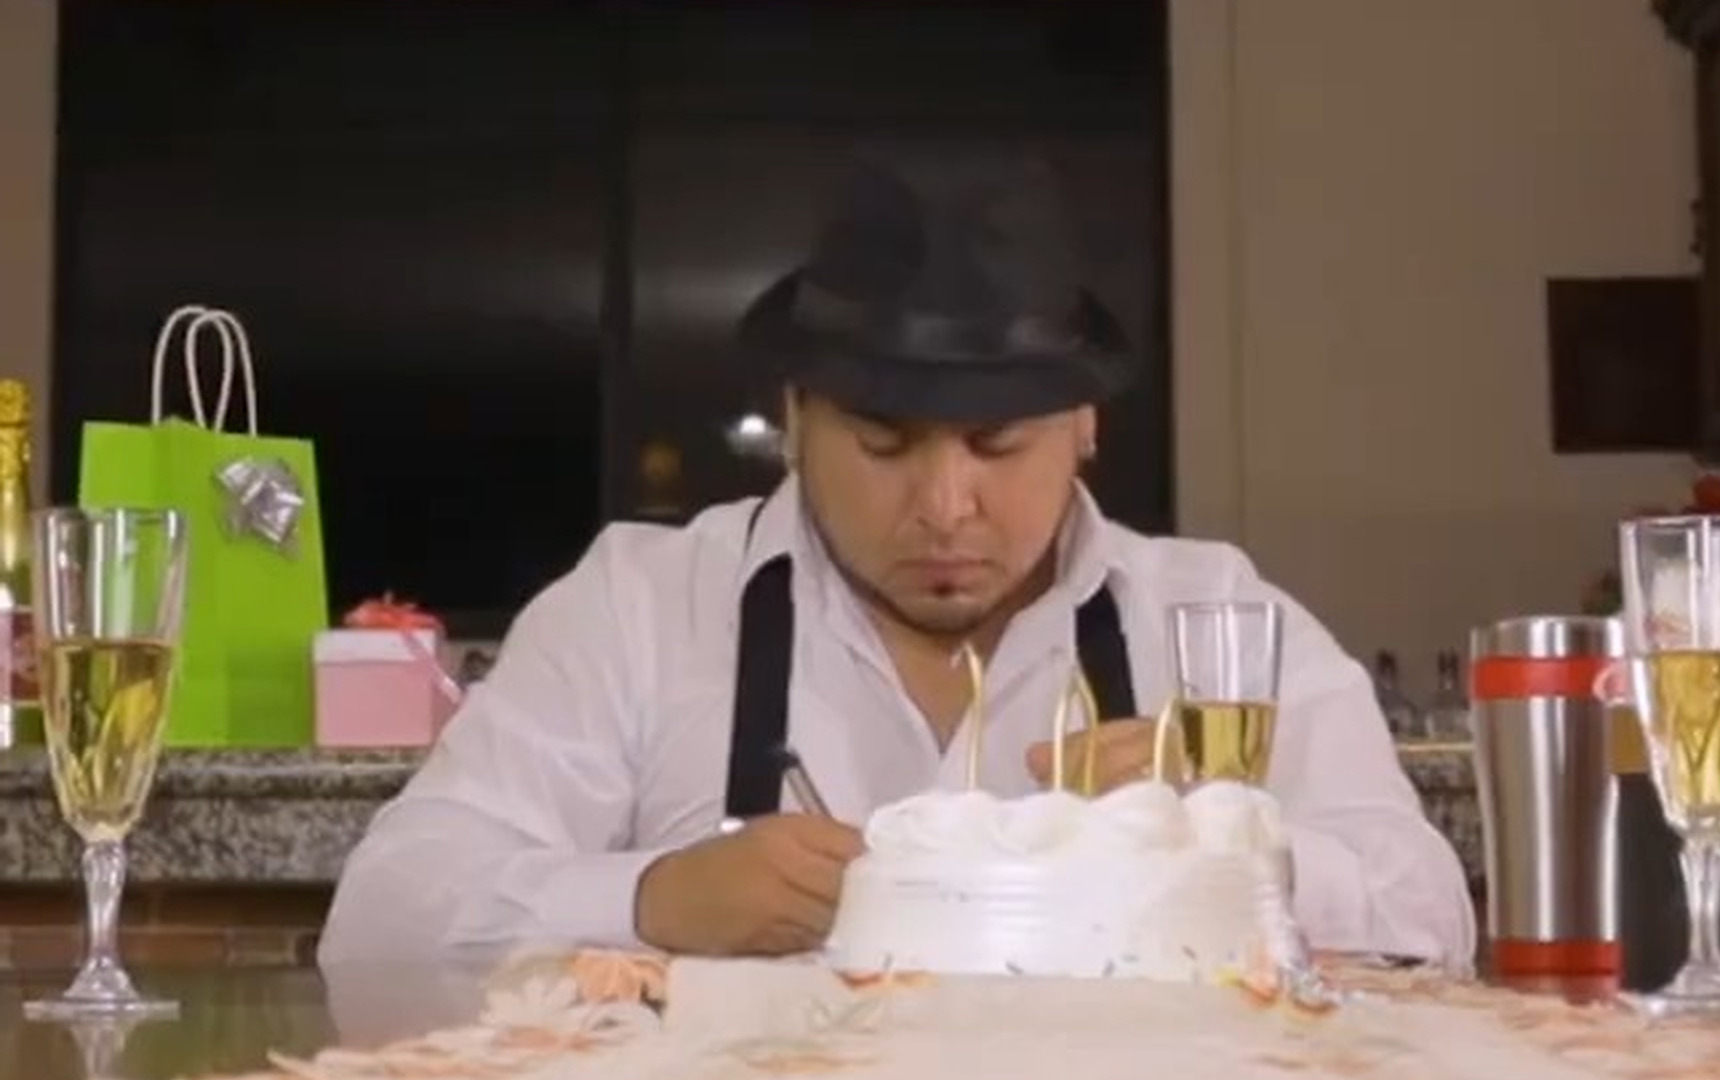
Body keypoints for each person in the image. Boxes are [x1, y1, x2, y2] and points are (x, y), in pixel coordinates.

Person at [318, 154, 1475, 969]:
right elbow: (380, 925)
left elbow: (1430, 917)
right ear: (796, 417)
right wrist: (650, 898)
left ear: (1084, 423)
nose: (944, 506)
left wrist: (1232, 845)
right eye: (883, 445)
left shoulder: (1212, 616)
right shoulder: (641, 606)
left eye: (997, 444)